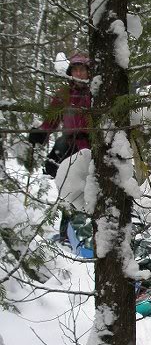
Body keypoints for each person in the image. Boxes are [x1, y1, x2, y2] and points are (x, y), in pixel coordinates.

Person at [28, 51, 91, 243]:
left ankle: (90, 233)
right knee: (68, 190)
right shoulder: (64, 94)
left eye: (83, 70)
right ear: (71, 72)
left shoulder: (95, 92)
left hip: (90, 149)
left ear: (89, 72)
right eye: (76, 70)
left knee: (91, 191)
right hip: (68, 148)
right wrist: (40, 133)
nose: (79, 74)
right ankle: (67, 235)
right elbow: (51, 120)